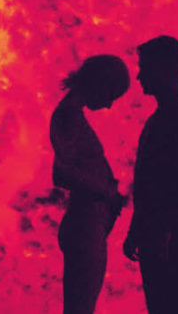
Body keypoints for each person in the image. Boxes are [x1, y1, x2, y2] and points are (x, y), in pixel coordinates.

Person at [123, 36, 178, 314]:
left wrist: (167, 229)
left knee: (173, 305)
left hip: (168, 231)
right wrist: (137, 228)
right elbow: (149, 183)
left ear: (165, 69)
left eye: (145, 67)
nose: (139, 76)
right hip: (158, 230)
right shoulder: (163, 118)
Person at [50, 54, 130, 314]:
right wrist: (104, 190)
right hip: (84, 223)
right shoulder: (69, 116)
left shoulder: (71, 115)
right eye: (110, 95)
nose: (108, 105)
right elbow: (62, 173)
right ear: (99, 83)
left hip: (88, 222)